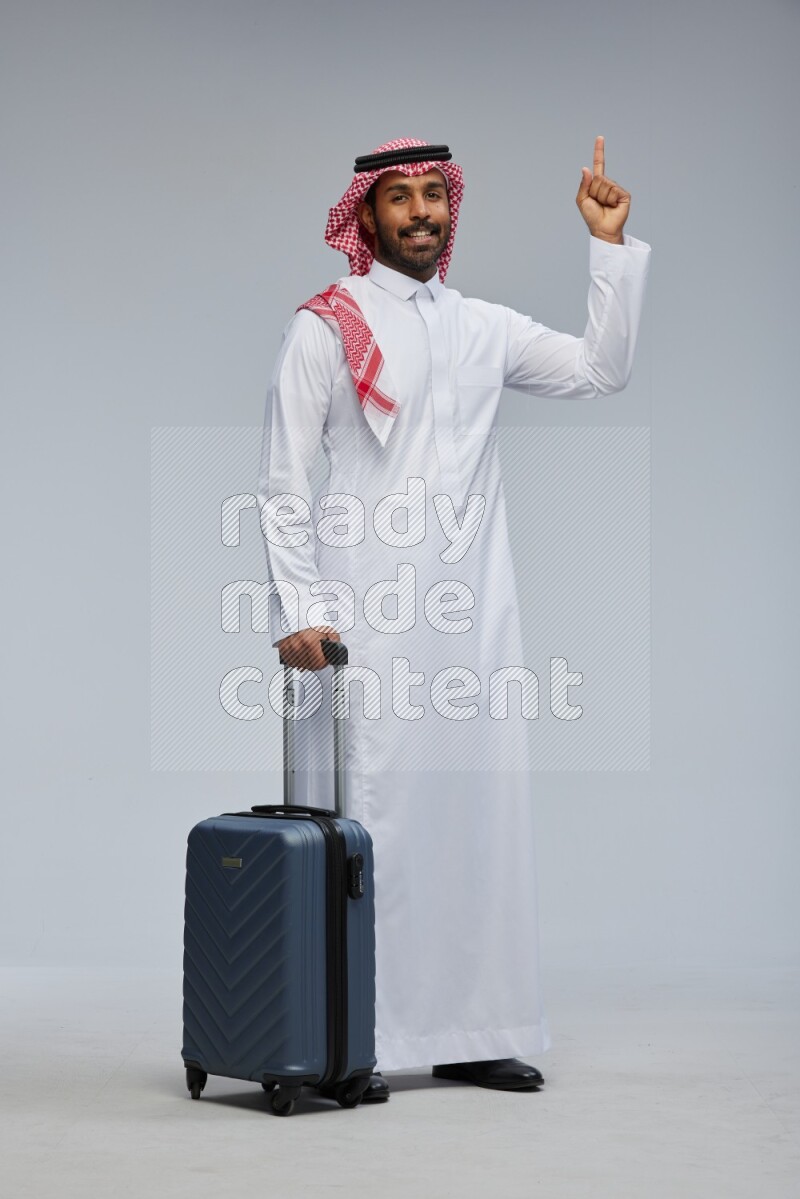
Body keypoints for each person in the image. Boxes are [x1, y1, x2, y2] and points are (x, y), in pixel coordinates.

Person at [257, 137, 651, 1101]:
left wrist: (608, 248)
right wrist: (299, 610)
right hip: (366, 618)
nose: (423, 212)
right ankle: (356, 1036)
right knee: (372, 825)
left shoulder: (484, 327)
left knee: (478, 820)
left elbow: (601, 370)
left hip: (475, 624)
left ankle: (476, 1029)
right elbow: (281, 480)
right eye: (402, 198)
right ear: (367, 215)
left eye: (436, 194)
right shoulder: (327, 325)